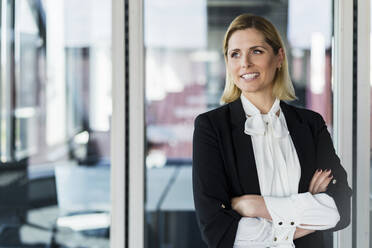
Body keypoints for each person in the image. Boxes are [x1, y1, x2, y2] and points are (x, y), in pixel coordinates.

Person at [192, 13, 352, 248]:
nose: (245, 63)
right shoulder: (211, 128)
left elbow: (340, 210)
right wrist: (308, 203)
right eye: (235, 54)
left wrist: (256, 207)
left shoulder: (310, 124)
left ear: (279, 57)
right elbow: (218, 230)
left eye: (256, 51)